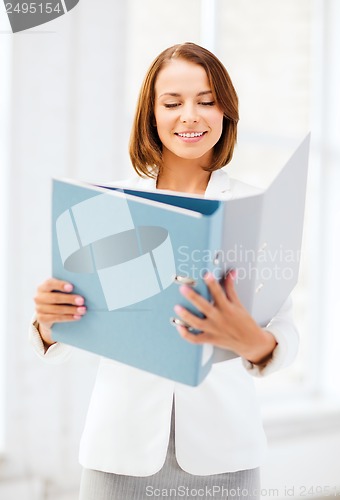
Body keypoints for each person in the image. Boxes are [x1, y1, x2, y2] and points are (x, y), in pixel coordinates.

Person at [31, 42, 299, 499]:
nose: (190, 115)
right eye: (172, 103)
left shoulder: (257, 207)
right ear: (151, 115)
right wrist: (48, 324)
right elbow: (78, 324)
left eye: (207, 101)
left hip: (225, 455)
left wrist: (251, 342)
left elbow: (285, 329)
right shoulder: (107, 206)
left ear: (226, 113)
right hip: (119, 452)